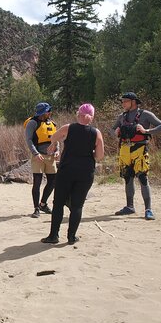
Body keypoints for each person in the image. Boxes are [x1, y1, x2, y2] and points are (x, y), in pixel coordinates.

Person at [41, 103, 104, 245]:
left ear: (78, 114)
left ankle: (53, 236)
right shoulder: (96, 133)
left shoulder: (68, 128)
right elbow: (99, 156)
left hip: (67, 170)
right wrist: (90, 152)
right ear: (92, 117)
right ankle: (71, 237)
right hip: (85, 172)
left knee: (58, 204)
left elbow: (53, 137)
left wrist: (54, 144)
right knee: (77, 206)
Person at [112, 92, 161, 220]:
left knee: (142, 178)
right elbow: (111, 129)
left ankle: (148, 209)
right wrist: (115, 132)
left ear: (133, 102)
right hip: (125, 150)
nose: (123, 103)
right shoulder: (122, 116)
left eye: (125, 101)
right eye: (122, 101)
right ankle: (129, 207)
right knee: (128, 178)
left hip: (140, 149)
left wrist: (146, 131)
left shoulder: (146, 114)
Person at [24, 102, 59, 218]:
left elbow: (55, 139)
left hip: (51, 156)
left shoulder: (52, 123)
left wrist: (57, 150)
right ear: (42, 113)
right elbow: (29, 140)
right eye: (48, 111)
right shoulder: (32, 123)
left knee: (52, 182)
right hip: (38, 157)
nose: (50, 113)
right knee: (37, 183)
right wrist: (36, 153)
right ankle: (36, 209)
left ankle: (43, 204)